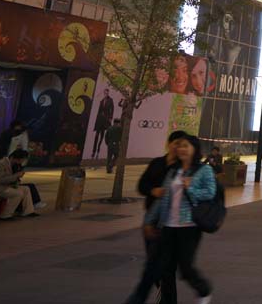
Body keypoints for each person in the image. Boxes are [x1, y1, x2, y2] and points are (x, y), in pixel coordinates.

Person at [127, 134, 215, 304]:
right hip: (167, 226)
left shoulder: (204, 170)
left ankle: (203, 289)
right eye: (179, 145)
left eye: (185, 146)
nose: (181, 149)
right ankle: (137, 300)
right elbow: (163, 199)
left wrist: (191, 189)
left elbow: (210, 194)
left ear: (194, 149)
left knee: (186, 269)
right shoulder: (174, 171)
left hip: (189, 227)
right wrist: (148, 221)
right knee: (152, 268)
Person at [133, 130, 186, 304]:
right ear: (168, 144)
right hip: (151, 221)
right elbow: (142, 185)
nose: (178, 147)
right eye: (176, 143)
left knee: (166, 268)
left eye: (182, 144)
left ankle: (168, 300)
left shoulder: (183, 168)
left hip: (171, 223)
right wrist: (152, 190)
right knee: (153, 264)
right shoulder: (156, 163)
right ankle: (163, 295)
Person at [0, 149, 37, 220]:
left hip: (4, 187)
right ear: (12, 157)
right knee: (18, 194)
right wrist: (16, 175)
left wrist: (17, 178)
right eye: (19, 160)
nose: (20, 162)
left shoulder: (13, 164)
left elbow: (11, 179)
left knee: (26, 189)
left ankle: (28, 211)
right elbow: (0, 180)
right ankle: (6, 215)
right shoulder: (0, 165)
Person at [92, 88, 115, 157]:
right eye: (105, 93)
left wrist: (110, 118)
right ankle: (94, 150)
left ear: (108, 93)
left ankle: (98, 150)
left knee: (101, 135)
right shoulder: (101, 100)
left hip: (105, 120)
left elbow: (112, 109)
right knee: (96, 135)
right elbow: (99, 110)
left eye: (107, 93)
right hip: (99, 120)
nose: (106, 94)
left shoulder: (110, 100)